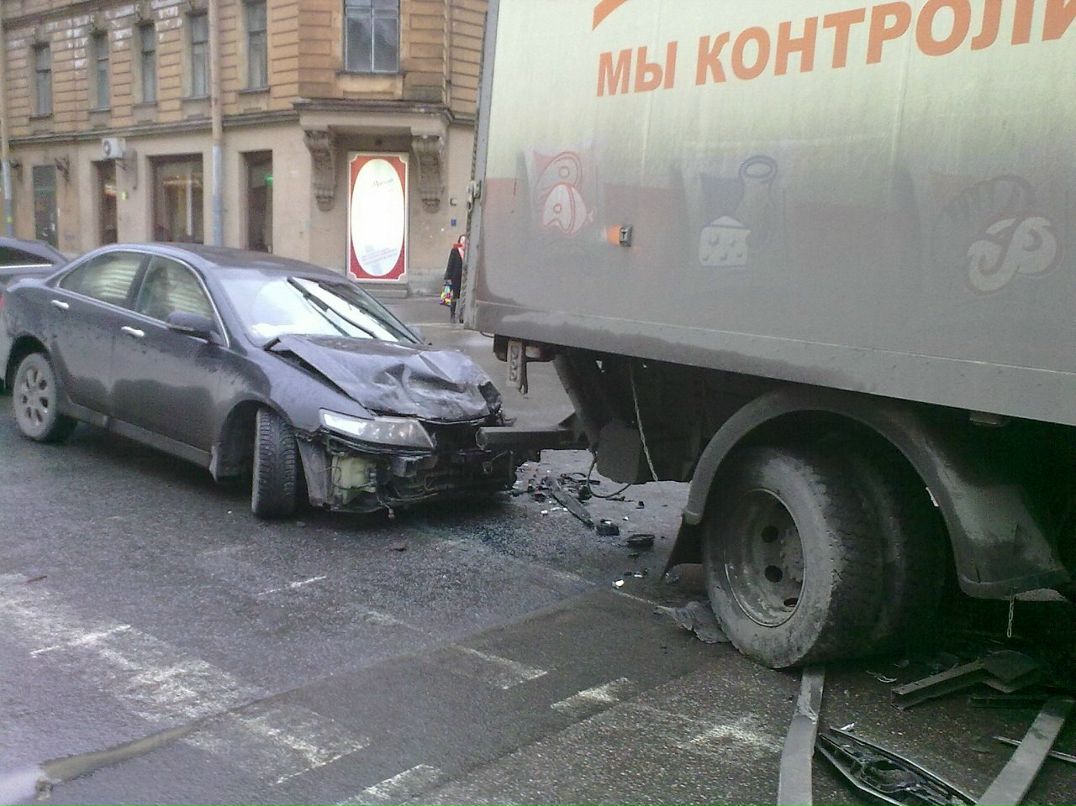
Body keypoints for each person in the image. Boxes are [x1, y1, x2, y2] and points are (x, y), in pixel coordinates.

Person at [443, 235, 466, 322]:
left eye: (465, 240)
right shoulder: (455, 250)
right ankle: (452, 315)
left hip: (464, 278)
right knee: (454, 296)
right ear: (459, 241)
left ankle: (461, 316)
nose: (463, 241)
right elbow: (450, 263)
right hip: (455, 277)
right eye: (462, 240)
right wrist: (447, 277)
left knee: (463, 298)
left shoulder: (468, 251)